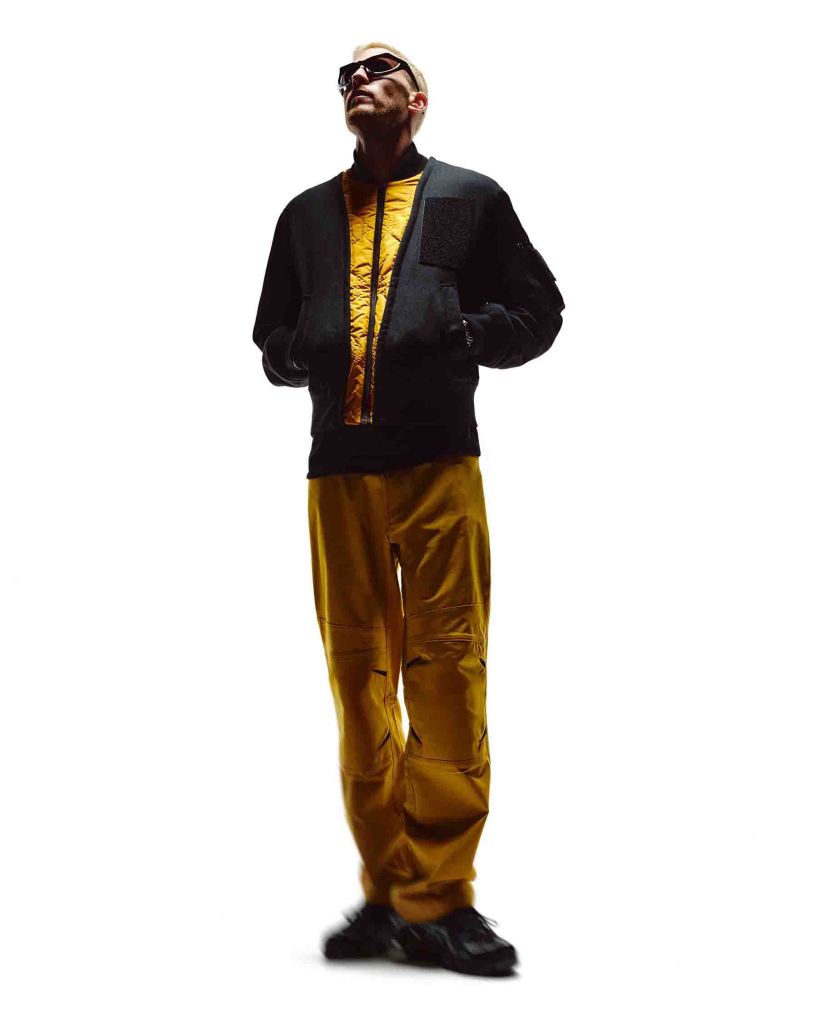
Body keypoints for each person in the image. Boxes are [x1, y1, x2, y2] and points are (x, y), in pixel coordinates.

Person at [252, 41, 565, 977]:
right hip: (338, 474)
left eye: (380, 69)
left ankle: (442, 896)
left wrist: (464, 331)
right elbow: (271, 337)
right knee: (358, 681)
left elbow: (539, 311)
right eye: (346, 76)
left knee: (446, 671)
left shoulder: (466, 198)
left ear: (418, 98)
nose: (358, 80)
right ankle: (390, 890)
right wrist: (297, 350)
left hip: (437, 465)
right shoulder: (306, 216)